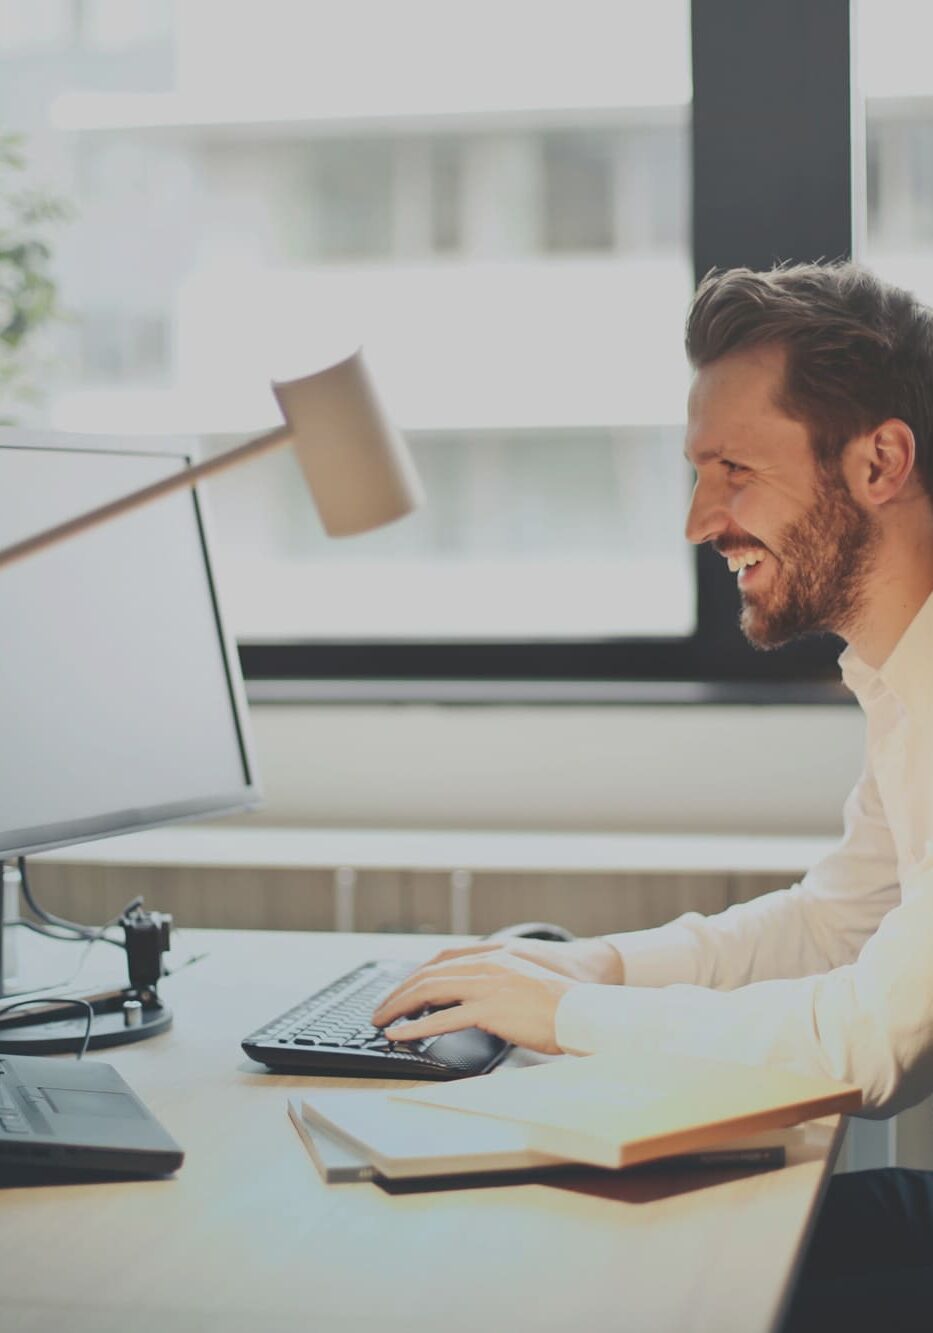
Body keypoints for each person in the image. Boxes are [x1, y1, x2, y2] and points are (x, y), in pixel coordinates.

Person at [372, 261, 933, 1331]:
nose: (696, 520)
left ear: (880, 460)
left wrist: (570, 1015)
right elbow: (836, 925)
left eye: (733, 469)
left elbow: (876, 1044)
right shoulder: (902, 675)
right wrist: (595, 965)